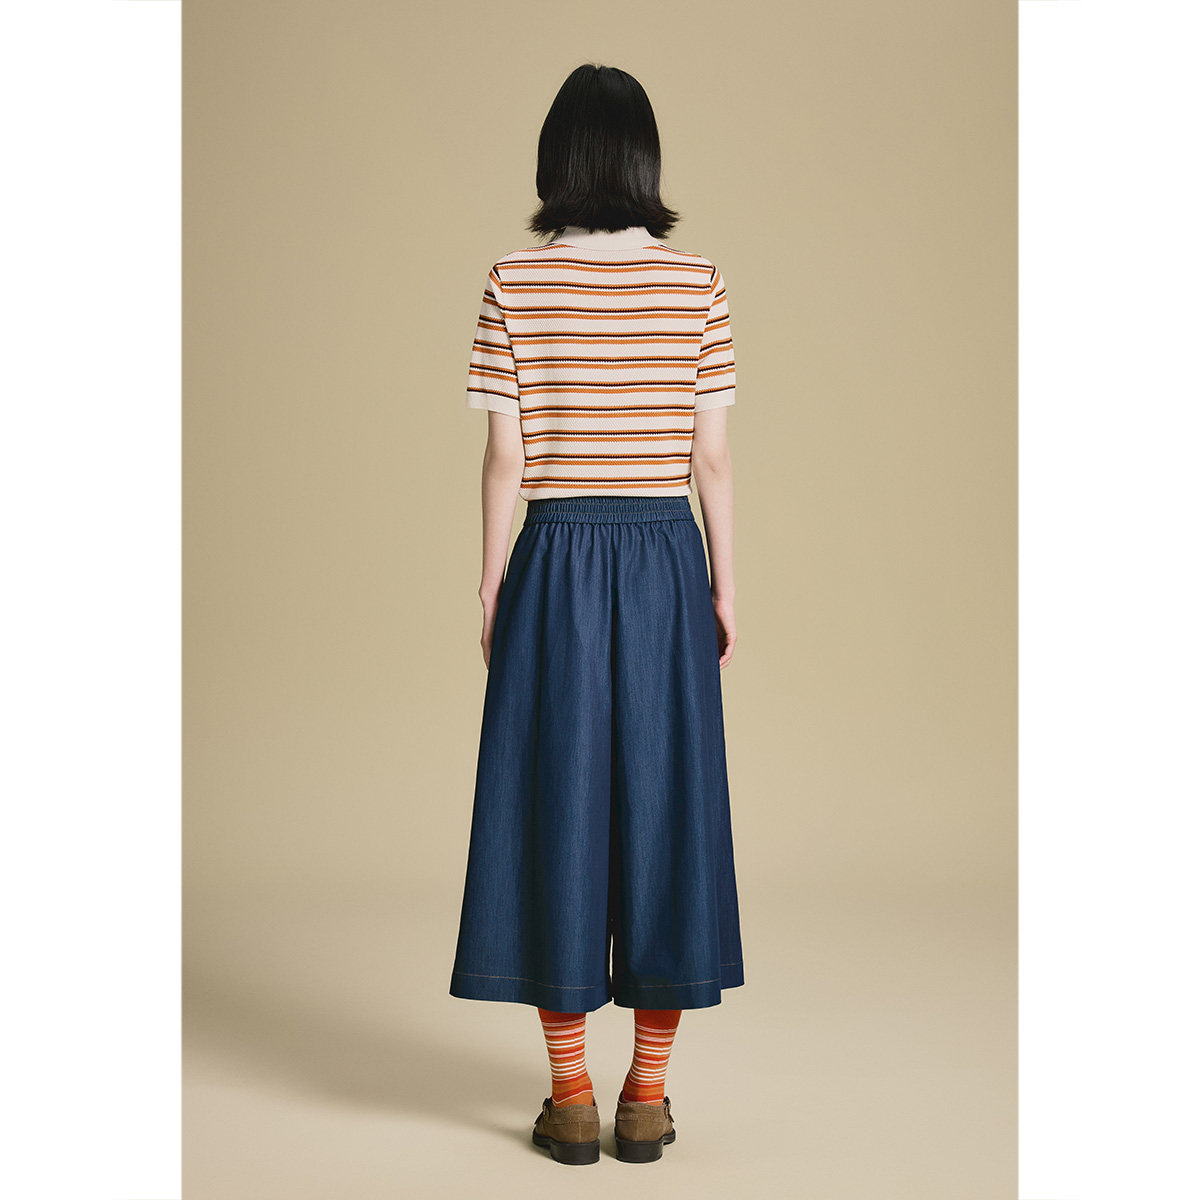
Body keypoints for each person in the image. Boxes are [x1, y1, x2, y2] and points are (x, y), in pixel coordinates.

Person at [449, 62, 744, 1166]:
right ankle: (645, 1097)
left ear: (556, 160)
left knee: (553, 810)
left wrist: (492, 583)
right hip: (665, 558)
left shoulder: (513, 282)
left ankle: (570, 1094)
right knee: (669, 814)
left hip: (557, 560)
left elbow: (505, 458)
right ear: (644, 161)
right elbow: (711, 459)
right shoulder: (699, 283)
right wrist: (724, 586)